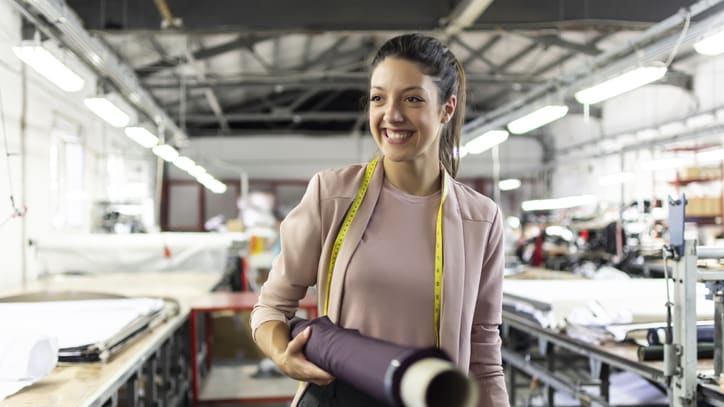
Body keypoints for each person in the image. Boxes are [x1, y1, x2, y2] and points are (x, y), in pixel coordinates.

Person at [250, 33, 509, 406]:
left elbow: (483, 350)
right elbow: (271, 308)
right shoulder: (332, 195)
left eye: (413, 98)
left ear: (446, 109)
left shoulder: (480, 220)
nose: (392, 114)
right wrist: (281, 355)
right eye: (378, 98)